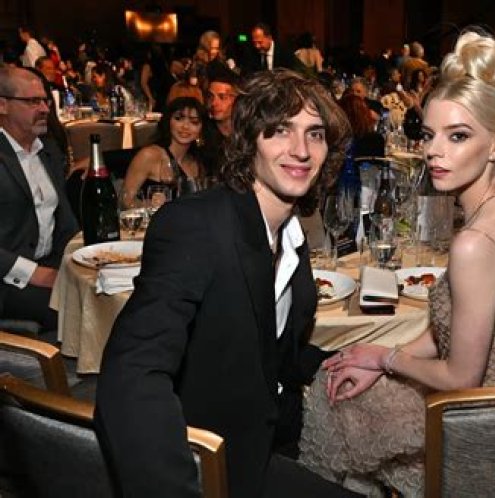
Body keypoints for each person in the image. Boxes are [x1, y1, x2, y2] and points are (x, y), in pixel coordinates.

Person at [299, 29, 495, 497]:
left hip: (480, 427)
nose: (434, 151)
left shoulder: (474, 243)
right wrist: (382, 358)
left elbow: (462, 376)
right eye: (429, 135)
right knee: (349, 382)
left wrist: (385, 357)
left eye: (458, 136)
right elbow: (455, 329)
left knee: (329, 399)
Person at [94, 69, 358, 498]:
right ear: (249, 139)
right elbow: (132, 374)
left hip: (265, 446)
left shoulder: (289, 235)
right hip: (211, 466)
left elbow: (263, 347)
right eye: (280, 130)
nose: (301, 150)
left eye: (315, 134)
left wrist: (350, 360)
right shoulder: (196, 225)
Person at [0, 67, 78, 329]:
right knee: (80, 305)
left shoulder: (48, 150)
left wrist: (88, 256)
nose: (45, 109)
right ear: (3, 105)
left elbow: (64, 221)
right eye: (33, 101)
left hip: (50, 263)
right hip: (7, 279)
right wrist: (34, 273)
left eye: (45, 100)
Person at [122, 97, 207, 206]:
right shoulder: (149, 155)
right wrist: (149, 204)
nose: (185, 126)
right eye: (178, 119)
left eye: (194, 122)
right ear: (168, 121)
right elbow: (125, 200)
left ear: (201, 129)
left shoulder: (197, 161)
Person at [202, 70, 240, 177]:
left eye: (222, 97)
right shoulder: (203, 131)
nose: (214, 103)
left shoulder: (246, 132)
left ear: (237, 100)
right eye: (211, 97)